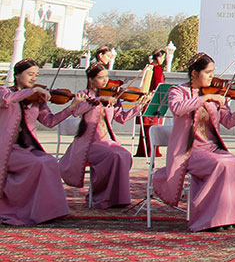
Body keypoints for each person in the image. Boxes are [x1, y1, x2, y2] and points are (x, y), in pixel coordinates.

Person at [152, 52, 235, 231]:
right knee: (220, 164)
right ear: (194, 73)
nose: (213, 77)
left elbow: (229, 121)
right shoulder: (178, 91)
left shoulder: (216, 93)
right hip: (189, 151)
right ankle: (208, 218)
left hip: (211, 148)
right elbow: (177, 109)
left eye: (213, 73)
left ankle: (230, 217)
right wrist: (205, 98)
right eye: (208, 73)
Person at [58, 63, 145, 209]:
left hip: (107, 141)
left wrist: (138, 108)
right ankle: (100, 197)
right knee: (113, 156)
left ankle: (117, 199)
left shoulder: (112, 95)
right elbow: (76, 111)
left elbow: (121, 118)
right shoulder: (84, 95)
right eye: (100, 77)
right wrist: (98, 100)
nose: (105, 81)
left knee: (124, 155)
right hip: (89, 144)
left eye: (106, 77)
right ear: (91, 80)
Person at [0, 59, 74, 225]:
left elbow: (50, 122)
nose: (34, 78)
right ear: (17, 75)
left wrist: (72, 107)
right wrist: (29, 92)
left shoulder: (36, 97)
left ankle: (48, 211)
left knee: (49, 161)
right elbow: (6, 100)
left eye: (36, 75)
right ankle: (23, 209)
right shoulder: (4, 91)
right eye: (30, 74)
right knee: (37, 164)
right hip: (7, 149)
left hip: (27, 148)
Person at [135, 49, 167, 157]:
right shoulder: (157, 68)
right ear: (158, 57)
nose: (163, 60)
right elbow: (158, 84)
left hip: (145, 99)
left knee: (145, 127)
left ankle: (143, 150)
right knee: (152, 125)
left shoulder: (148, 67)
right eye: (163, 57)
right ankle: (151, 150)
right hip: (153, 99)